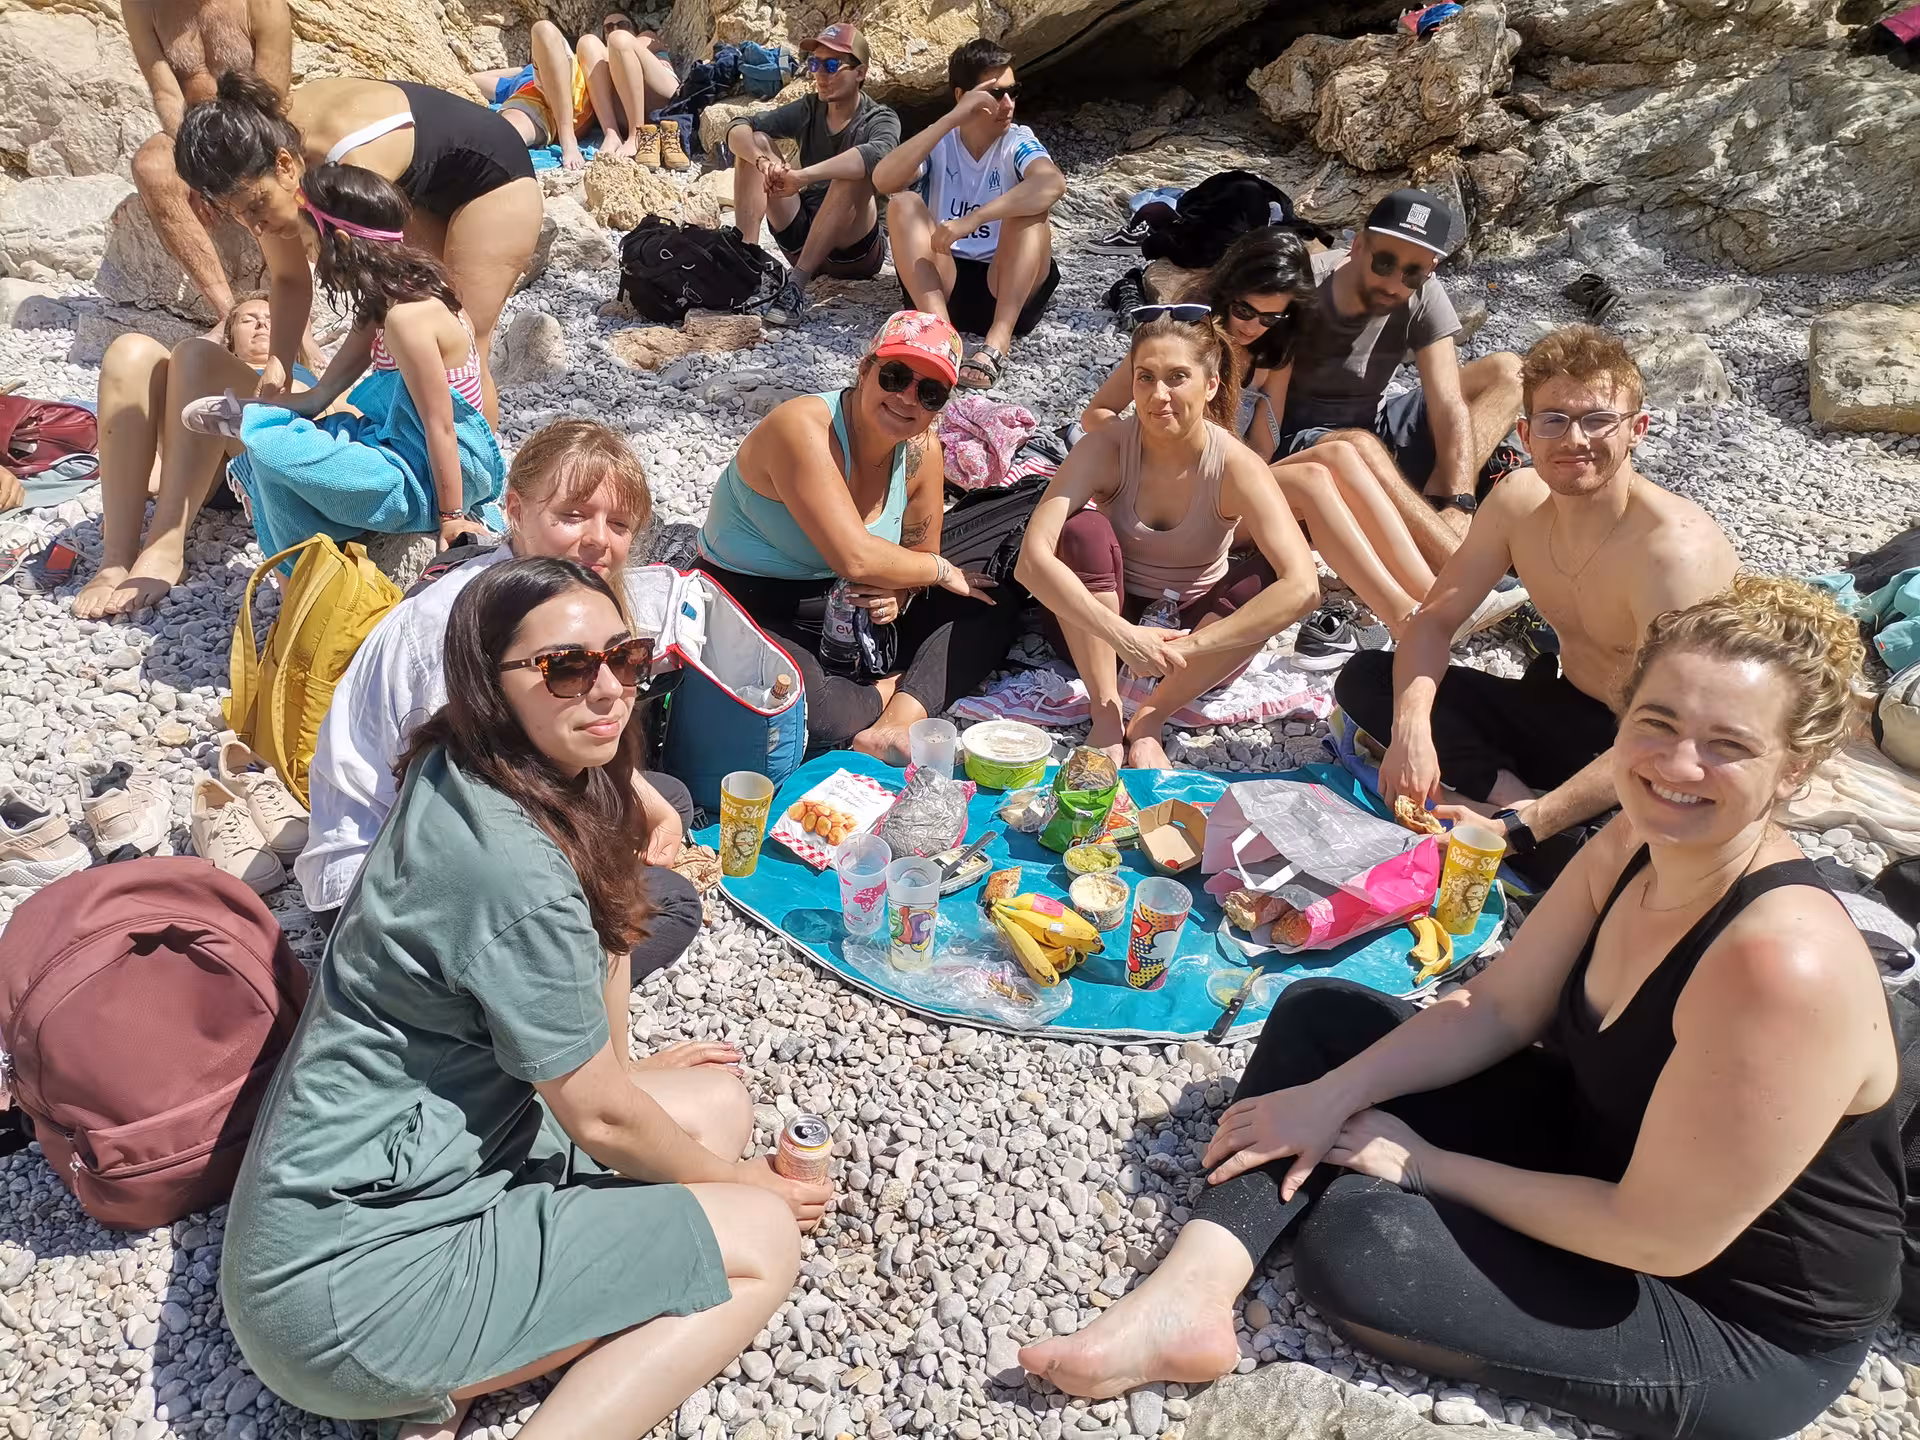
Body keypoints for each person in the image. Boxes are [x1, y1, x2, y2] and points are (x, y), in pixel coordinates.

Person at [1022, 575, 1904, 1440]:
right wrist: (1333, 1098)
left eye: (1729, 745)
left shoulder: (1780, 963)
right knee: (1324, 1019)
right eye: (1657, 723)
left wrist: (1424, 1163)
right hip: (1601, 1152)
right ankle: (1190, 1297)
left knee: (1368, 1248)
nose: (1678, 765)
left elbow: (1657, 1235)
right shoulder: (1638, 834)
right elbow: (1494, 1007)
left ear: (1794, 770)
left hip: (1722, 1307)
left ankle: (1293, 1229)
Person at [222, 556, 830, 1440]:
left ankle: (459, 1379)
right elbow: (604, 1121)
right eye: (566, 668)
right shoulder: (509, 865)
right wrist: (743, 1186)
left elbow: (607, 953)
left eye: (625, 658)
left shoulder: (475, 762)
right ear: (490, 681)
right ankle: (465, 1392)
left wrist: (620, 1072)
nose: (610, 690)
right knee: (761, 1242)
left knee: (717, 1103)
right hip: (349, 1295)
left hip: (393, 1179)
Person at [299, 419, 700, 989]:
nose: (599, 540)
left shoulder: (537, 591)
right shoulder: (464, 623)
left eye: (618, 523)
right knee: (670, 901)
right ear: (514, 507)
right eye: (572, 515)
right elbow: (461, 809)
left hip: (458, 811)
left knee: (670, 798)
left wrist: (637, 796)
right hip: (384, 884)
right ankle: (530, 1015)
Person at [1338, 324, 1739, 886]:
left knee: (1627, 874)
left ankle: (1516, 822)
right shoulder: (1518, 501)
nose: (1574, 440)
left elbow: (1675, 733)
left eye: (1598, 420)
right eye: (1554, 419)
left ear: (1637, 429)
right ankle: (1504, 797)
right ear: (1525, 433)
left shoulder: (1671, 552)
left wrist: (1525, 828)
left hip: (1655, 747)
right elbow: (1433, 622)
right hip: (1564, 707)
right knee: (1369, 677)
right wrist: (1411, 730)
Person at [1079, 228, 1437, 641]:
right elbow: (1096, 414)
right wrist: (1149, 441)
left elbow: (1264, 447)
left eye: (1272, 317)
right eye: (1246, 311)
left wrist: (1260, 412)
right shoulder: (1180, 338)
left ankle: (1429, 597)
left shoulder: (1273, 355)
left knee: (1338, 455)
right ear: (1227, 291)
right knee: (1313, 478)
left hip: (1225, 488)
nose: (1254, 326)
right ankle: (1404, 616)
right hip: (1166, 489)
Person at [694, 310, 1015, 761]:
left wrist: (901, 595)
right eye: (896, 376)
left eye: (929, 392)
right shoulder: (803, 427)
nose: (907, 399)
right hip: (752, 600)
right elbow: (858, 559)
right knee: (814, 712)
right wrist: (939, 572)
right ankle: (892, 688)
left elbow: (918, 551)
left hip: (848, 606)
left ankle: (896, 719)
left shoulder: (923, 452)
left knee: (990, 605)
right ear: (865, 370)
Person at [1016, 311, 1319, 768]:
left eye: (1177, 378)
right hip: (1102, 625)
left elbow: (1304, 587)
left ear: (1211, 385)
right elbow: (1031, 560)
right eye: (1145, 378)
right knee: (1081, 528)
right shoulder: (1105, 447)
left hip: (1194, 637)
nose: (1159, 396)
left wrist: (1184, 648)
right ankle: (1107, 713)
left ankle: (1153, 718)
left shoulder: (1236, 465)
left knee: (1268, 574)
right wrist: (1125, 637)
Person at [174, 70, 543, 422]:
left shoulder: (350, 159)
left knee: (460, 340)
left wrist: (320, 394)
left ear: (286, 166)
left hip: (491, 175)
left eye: (256, 208)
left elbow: (378, 298)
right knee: (407, 345)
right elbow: (288, 279)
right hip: (417, 182)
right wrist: (278, 363)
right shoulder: (262, 166)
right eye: (239, 215)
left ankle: (479, 478)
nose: (255, 225)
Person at [182, 162, 505, 559]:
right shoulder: (384, 304)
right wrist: (278, 406)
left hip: (424, 474)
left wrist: (452, 515)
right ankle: (295, 573)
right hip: (394, 444)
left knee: (274, 453)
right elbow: (321, 395)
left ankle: (252, 427)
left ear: (341, 243)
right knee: (272, 464)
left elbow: (441, 425)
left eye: (311, 246)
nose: (312, 258)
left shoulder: (409, 318)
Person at [1279, 188, 1524, 569]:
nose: (1394, 283)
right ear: (1358, 246)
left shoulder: (1422, 295)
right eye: (1384, 263)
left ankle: (1436, 513)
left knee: (1508, 371)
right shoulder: (1306, 286)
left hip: (1377, 432)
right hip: (1303, 446)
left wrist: (1458, 502)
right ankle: (1468, 578)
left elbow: (1446, 400)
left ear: (1430, 270)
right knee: (1359, 446)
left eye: (1412, 272)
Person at [74, 292, 320, 617]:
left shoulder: (310, 373)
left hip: (265, 459)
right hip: (201, 474)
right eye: (248, 319)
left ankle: (165, 546)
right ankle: (116, 559)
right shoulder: (198, 370)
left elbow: (345, 421)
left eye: (273, 319)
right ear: (230, 337)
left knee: (197, 355)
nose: (261, 323)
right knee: (129, 350)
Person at [872, 39, 1066, 391]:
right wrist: (949, 121)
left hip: (1006, 284)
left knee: (1031, 208)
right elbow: (884, 179)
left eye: (1013, 91)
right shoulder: (942, 143)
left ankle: (998, 341)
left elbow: (1052, 183)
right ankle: (943, 335)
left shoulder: (1017, 141)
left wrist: (973, 220)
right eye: (995, 94)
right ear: (962, 95)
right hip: (943, 285)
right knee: (902, 203)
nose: (1007, 104)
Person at [122, 0, 291, 324]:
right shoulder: (141, 6)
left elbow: (273, 98)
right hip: (192, 131)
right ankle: (229, 315)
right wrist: (195, 165)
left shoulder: (262, 5)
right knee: (150, 166)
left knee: (260, 181)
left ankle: (296, 326)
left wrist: (224, 170)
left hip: (255, 127)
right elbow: (165, 92)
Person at [727, 24, 899, 328]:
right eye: (815, 64)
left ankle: (796, 286)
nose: (821, 73)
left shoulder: (879, 117)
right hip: (803, 234)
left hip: (855, 248)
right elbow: (738, 125)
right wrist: (763, 162)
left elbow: (880, 154)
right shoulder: (810, 107)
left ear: (860, 73)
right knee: (756, 143)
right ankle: (747, 260)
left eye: (832, 65)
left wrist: (803, 177)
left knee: (853, 169)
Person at [472, 19, 680, 169]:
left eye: (623, 24)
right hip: (537, 100)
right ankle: (610, 133)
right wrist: (528, 67)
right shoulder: (525, 76)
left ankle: (626, 135)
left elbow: (631, 43)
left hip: (647, 88)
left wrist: (616, 41)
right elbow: (475, 80)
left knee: (608, 41)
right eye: (608, 27)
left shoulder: (640, 41)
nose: (614, 29)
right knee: (504, 135)